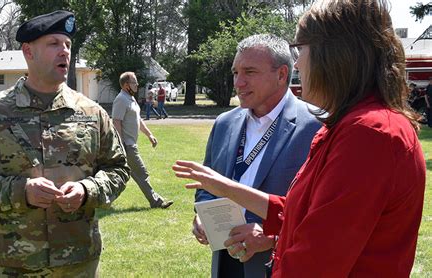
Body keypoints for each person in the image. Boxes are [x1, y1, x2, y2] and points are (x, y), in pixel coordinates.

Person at [174, 0, 426, 277]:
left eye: (299, 49)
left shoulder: (369, 134)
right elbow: (301, 213)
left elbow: (314, 263)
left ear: (333, 54)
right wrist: (226, 188)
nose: (296, 63)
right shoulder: (354, 126)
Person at [0, 10, 130, 277]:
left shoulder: (92, 113)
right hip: (14, 262)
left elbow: (118, 169)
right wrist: (21, 191)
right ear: (28, 51)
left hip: (78, 260)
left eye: (68, 45)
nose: (64, 52)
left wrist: (87, 190)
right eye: (53, 44)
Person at [192, 34, 321, 277]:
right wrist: (202, 216)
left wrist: (272, 237)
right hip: (225, 259)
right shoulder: (224, 123)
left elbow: (322, 213)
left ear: (282, 75)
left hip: (277, 264)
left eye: (249, 72)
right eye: (235, 72)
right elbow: (207, 185)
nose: (238, 83)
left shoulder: (316, 126)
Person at [112, 72, 173, 209]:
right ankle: (156, 201)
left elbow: (138, 120)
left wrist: (149, 135)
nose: (137, 85)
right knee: (141, 173)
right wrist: (121, 144)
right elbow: (116, 122)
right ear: (126, 85)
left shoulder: (130, 99)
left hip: (130, 144)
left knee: (121, 174)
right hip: (127, 145)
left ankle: (100, 200)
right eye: (134, 82)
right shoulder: (121, 99)